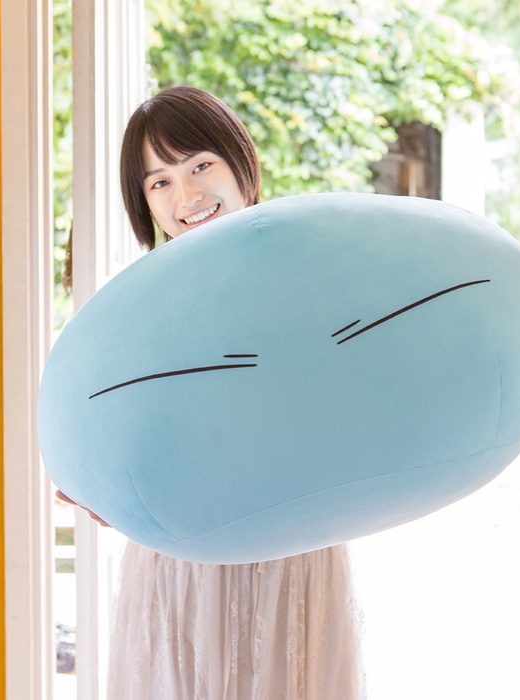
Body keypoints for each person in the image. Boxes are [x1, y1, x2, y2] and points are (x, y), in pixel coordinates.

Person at [94, 86, 366, 700]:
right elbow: (118, 429)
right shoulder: (134, 308)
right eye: (159, 182)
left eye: (200, 165)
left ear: (240, 160)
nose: (186, 196)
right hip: (179, 562)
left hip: (291, 553)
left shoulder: (314, 275)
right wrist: (95, 483)